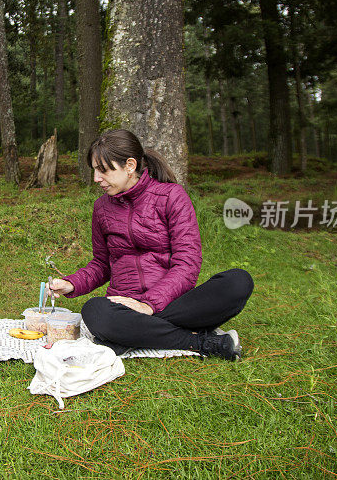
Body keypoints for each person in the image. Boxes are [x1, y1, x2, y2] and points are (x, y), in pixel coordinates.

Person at [48, 129, 253, 361]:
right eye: (94, 170)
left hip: (171, 303)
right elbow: (102, 264)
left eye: (103, 170)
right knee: (94, 311)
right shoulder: (101, 208)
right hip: (122, 306)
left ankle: (129, 335)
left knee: (238, 282)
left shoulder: (171, 196)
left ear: (130, 165)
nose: (96, 178)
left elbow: (187, 263)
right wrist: (70, 284)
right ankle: (201, 341)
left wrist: (148, 305)